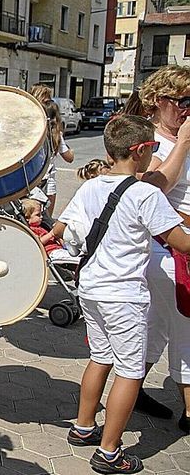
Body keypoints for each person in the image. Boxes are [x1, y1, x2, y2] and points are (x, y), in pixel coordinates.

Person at [53, 115, 190, 473]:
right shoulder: (146, 193)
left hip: (92, 289)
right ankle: (110, 451)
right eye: (155, 149)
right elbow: (181, 243)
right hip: (124, 294)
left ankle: (83, 427)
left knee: (100, 358)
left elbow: (61, 228)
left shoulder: (90, 186)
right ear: (141, 150)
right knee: (129, 370)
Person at [139, 65, 190, 432]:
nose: (188, 109)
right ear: (161, 101)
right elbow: (151, 188)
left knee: (156, 327)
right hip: (168, 249)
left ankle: (133, 385)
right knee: (185, 326)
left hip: (174, 247)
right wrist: (184, 142)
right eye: (183, 100)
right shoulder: (155, 141)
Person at [41, 100, 75, 216]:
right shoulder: (56, 135)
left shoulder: (35, 132)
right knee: (47, 218)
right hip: (49, 179)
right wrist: (71, 151)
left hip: (33, 180)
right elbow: (69, 157)